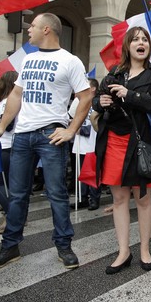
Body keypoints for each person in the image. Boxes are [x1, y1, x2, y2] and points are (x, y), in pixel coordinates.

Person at [0, 13, 92, 270]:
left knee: (56, 193)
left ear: (46, 29)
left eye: (32, 26)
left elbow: (86, 96)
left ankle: (64, 247)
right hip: (22, 135)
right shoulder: (29, 60)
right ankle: (10, 246)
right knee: (19, 193)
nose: (28, 29)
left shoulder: (70, 61)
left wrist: (70, 130)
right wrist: (2, 126)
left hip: (50, 135)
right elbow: (16, 94)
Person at [93, 26, 151, 274]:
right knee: (119, 198)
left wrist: (130, 94)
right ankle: (123, 251)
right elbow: (98, 99)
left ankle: (145, 249)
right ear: (127, 46)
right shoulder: (115, 73)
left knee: (143, 198)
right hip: (114, 141)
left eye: (145, 39)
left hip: (140, 143)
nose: (141, 43)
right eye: (135, 39)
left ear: (149, 47)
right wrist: (101, 102)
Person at [0, 71, 19, 234]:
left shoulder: (8, 102)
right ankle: (11, 216)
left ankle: (14, 216)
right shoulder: (7, 101)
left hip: (6, 146)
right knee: (7, 184)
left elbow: (6, 126)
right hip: (7, 146)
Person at [69, 78, 101, 211]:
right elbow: (71, 117)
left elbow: (98, 124)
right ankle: (82, 198)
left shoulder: (98, 103)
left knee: (92, 173)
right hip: (80, 143)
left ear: (93, 88)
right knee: (81, 172)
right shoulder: (79, 101)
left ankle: (94, 199)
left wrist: (81, 129)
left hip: (92, 143)